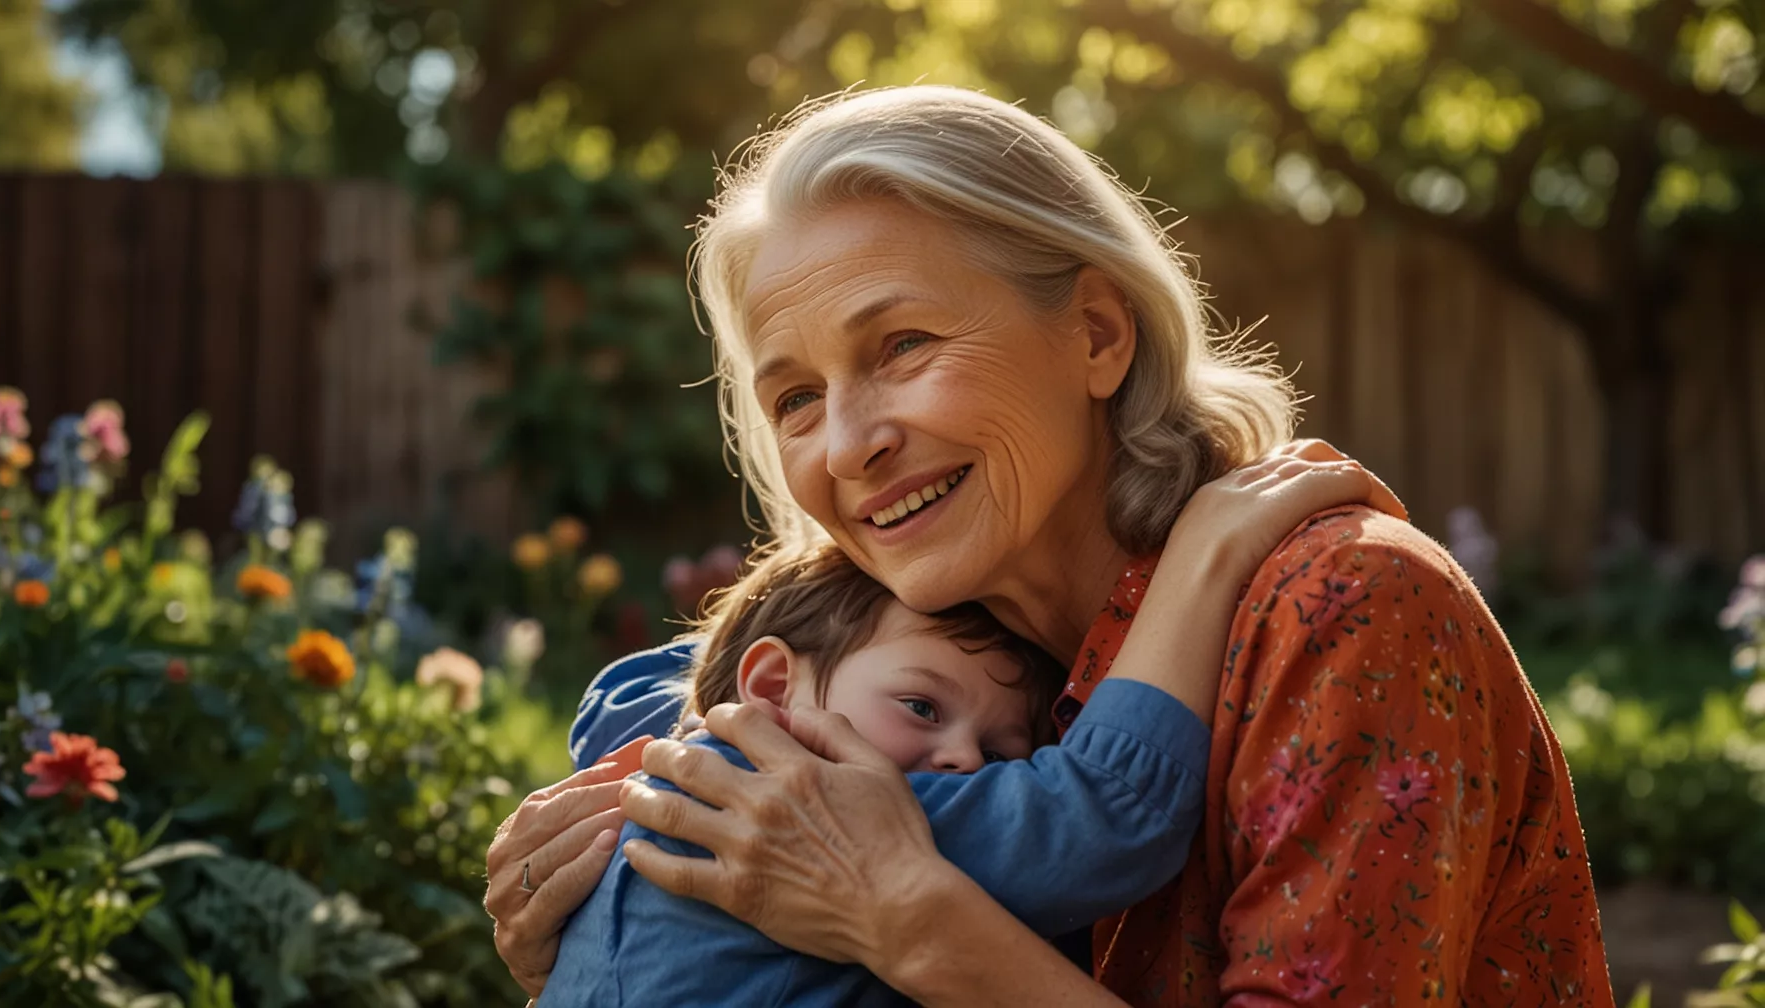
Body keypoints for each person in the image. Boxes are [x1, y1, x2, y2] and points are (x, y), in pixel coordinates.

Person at [486, 85, 1615, 1006]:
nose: (849, 443)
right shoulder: (934, 652)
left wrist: (903, 915)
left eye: (903, 344)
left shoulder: (1343, 607)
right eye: (795, 398)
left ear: (1097, 334)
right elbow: (666, 709)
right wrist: (619, 895)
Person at [540, 543, 1215, 1006]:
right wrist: (1208, 551)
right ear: (772, 688)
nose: (966, 761)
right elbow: (1110, 813)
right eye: (922, 707)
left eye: (999, 755)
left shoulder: (680, 777)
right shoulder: (796, 800)